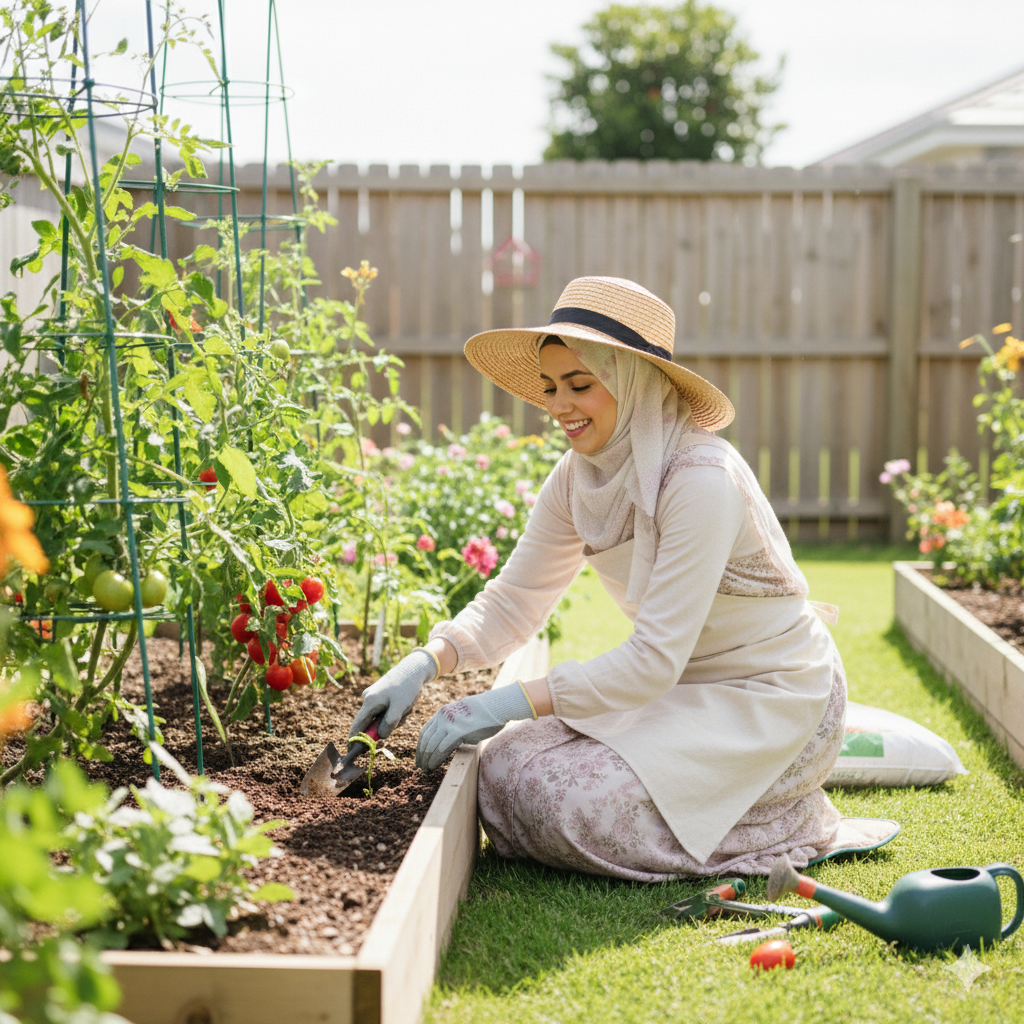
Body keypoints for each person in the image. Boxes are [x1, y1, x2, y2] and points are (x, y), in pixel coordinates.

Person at [348, 276, 898, 880]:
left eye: (581, 385)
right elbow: (515, 600)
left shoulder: (700, 479)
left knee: (567, 803)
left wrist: (506, 699)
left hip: (774, 699)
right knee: (503, 769)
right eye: (550, 387)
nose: (559, 406)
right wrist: (427, 660)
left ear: (636, 383)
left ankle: (786, 824)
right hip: (681, 691)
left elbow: (652, 660)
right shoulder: (577, 475)